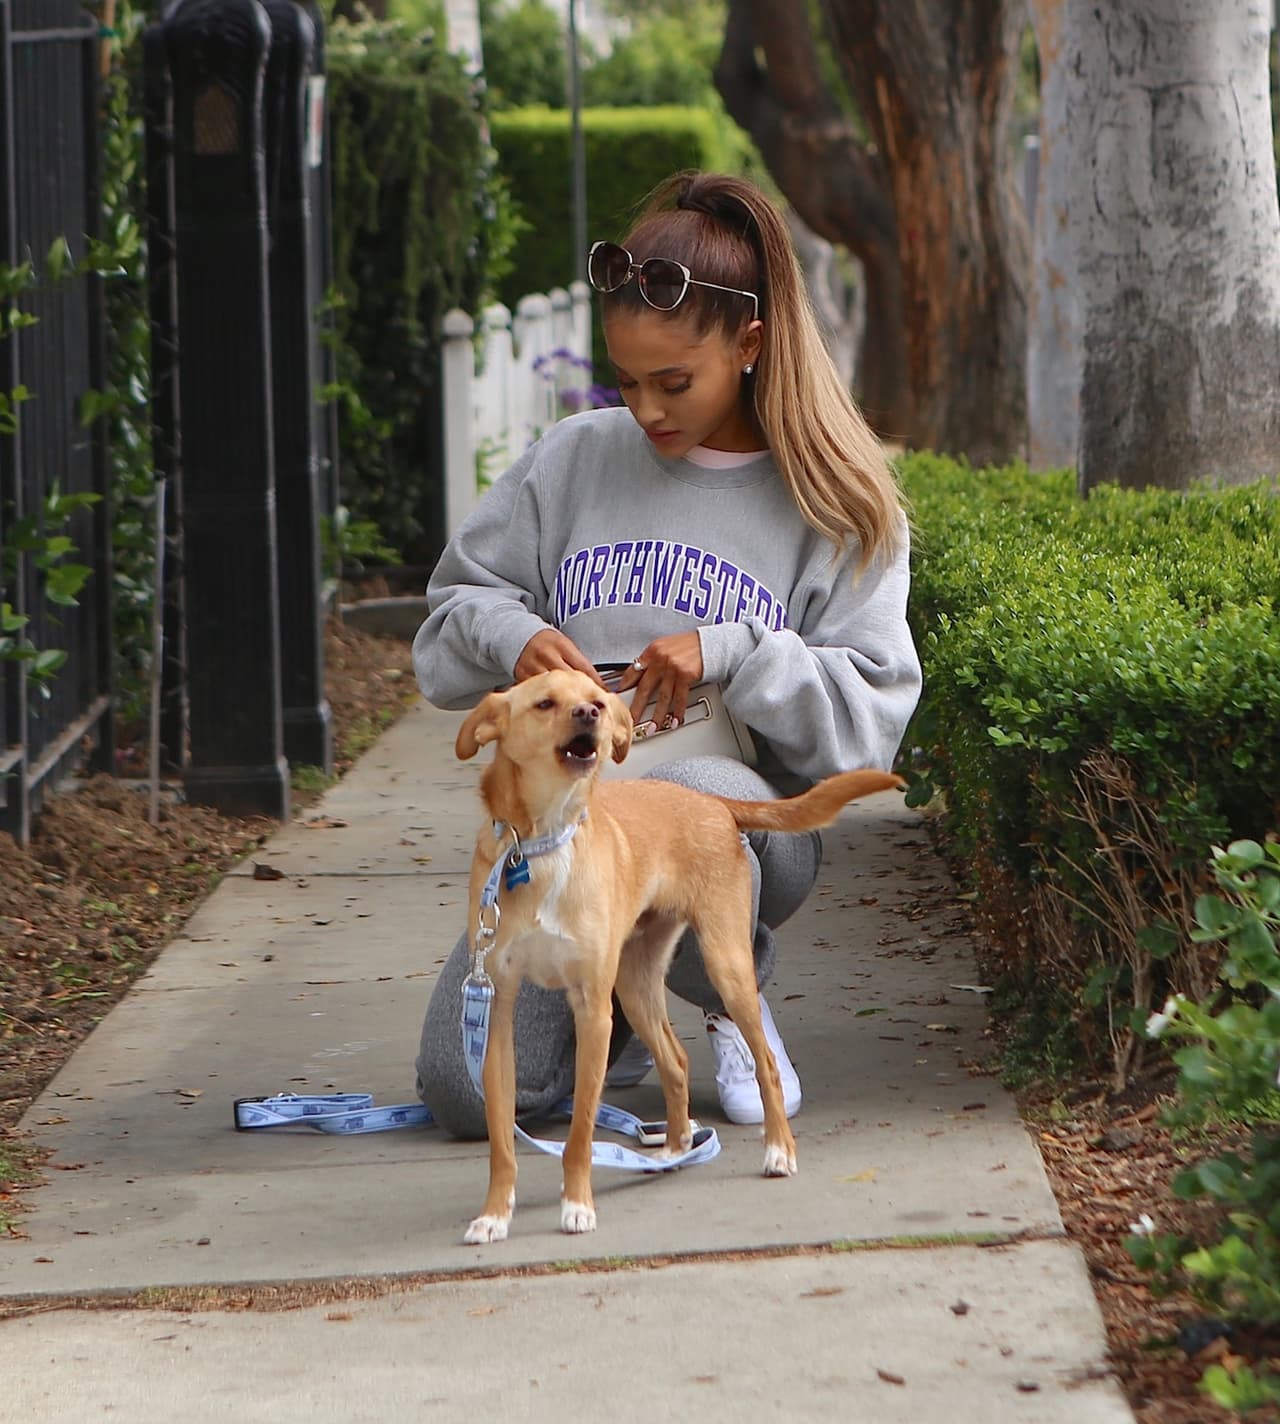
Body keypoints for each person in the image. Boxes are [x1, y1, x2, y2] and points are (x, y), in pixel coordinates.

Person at [412, 170, 922, 1138]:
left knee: (687, 782)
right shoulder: (570, 458)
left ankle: (734, 1004)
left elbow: (868, 721)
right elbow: (447, 620)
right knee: (463, 1090)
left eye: (673, 382)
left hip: (738, 827)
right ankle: (623, 1016)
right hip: (565, 839)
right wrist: (517, 636)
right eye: (626, 381)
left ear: (750, 343)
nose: (645, 409)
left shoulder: (838, 501)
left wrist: (733, 648)